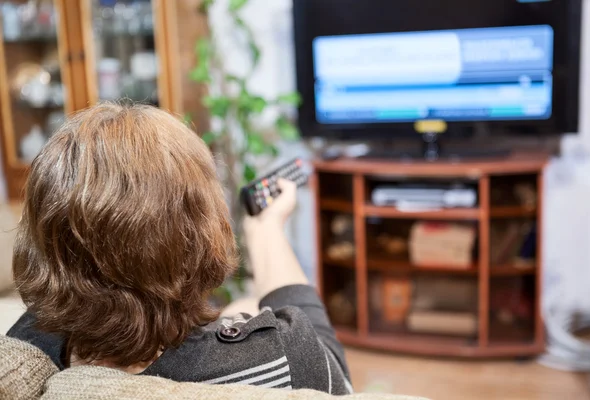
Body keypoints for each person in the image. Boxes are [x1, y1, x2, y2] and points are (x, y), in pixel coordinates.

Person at [7, 103, 352, 395]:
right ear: (199, 234)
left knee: (244, 304)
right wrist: (268, 229)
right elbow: (335, 377)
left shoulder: (28, 343)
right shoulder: (278, 358)